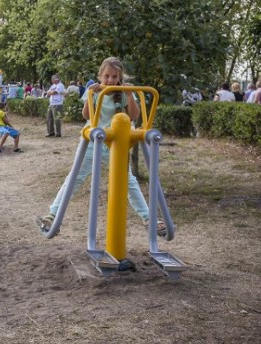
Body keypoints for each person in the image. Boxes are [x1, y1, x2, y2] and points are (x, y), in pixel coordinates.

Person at [36, 57, 166, 237]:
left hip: (116, 143)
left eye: (114, 77)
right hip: (94, 142)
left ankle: (148, 218)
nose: (110, 81)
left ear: (120, 77)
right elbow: (86, 115)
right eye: (107, 76)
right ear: (100, 75)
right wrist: (91, 94)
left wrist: (129, 96)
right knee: (75, 178)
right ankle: (52, 216)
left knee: (128, 182)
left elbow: (134, 116)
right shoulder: (95, 91)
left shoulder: (125, 91)